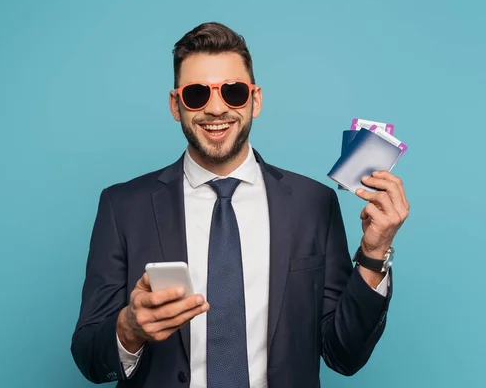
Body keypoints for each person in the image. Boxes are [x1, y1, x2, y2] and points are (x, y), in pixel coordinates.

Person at [70, 21, 409, 388]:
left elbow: (343, 355)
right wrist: (129, 329)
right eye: (197, 94)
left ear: (255, 99)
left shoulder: (314, 204)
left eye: (233, 92)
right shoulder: (123, 207)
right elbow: (89, 357)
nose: (216, 109)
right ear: (175, 105)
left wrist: (374, 254)